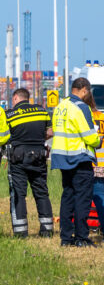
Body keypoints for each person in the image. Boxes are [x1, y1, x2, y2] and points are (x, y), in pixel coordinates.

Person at [51, 78, 103, 247]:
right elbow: (89, 135)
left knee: (67, 197)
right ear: (84, 90)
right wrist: (98, 140)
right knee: (82, 199)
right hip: (79, 159)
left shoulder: (60, 107)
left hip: (63, 159)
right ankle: (81, 237)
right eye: (88, 92)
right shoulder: (81, 107)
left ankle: (65, 239)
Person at [1, 88, 54, 238]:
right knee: (41, 192)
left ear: (16, 97)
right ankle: (47, 230)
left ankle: (20, 232)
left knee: (18, 194)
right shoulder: (41, 110)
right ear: (28, 98)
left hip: (18, 157)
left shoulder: (10, 114)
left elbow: (5, 135)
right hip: (39, 155)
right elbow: (50, 132)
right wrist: (37, 141)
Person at [83, 91, 104, 241]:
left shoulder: (84, 118)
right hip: (102, 164)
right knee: (101, 200)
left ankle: (82, 230)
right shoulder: (103, 119)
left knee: (82, 199)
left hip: (86, 164)